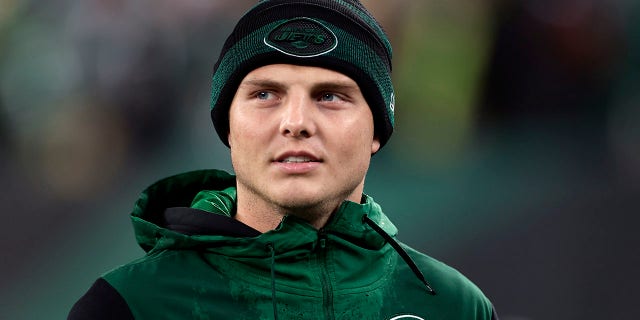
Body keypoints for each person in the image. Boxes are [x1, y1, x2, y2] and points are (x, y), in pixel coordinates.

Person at [68, 1, 498, 319]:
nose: (296, 123)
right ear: (228, 126)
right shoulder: (130, 306)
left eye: (330, 96)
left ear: (376, 130)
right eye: (265, 94)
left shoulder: (456, 306)